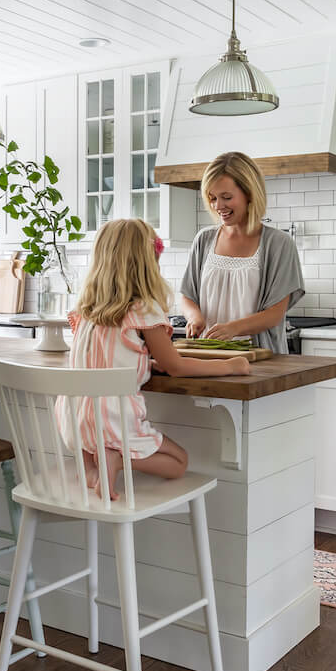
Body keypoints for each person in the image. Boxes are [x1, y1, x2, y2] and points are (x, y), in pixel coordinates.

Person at [59, 218, 251, 499]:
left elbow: (101, 358)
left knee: (92, 466)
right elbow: (175, 365)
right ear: (148, 261)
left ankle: (98, 469)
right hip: (113, 420)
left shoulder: (85, 310)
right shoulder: (142, 310)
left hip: (74, 425)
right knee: (179, 463)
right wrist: (230, 365)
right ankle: (117, 458)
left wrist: (143, 363)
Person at [179, 151, 306, 354]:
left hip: (260, 358)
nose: (218, 206)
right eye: (212, 198)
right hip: (209, 357)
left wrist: (233, 329)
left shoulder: (279, 244)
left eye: (226, 197)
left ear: (250, 194)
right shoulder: (204, 240)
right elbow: (187, 296)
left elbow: (275, 314)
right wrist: (194, 317)